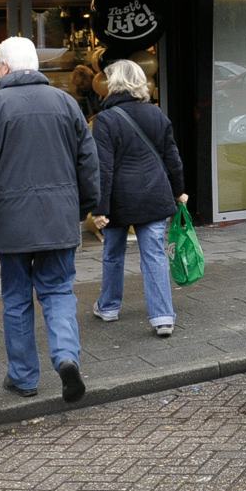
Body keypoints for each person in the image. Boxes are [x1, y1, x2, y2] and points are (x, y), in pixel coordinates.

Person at [0, 36, 99, 403]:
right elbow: (88, 159)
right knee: (59, 291)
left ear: (3, 68)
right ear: (35, 65)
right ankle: (67, 357)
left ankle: (23, 378)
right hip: (58, 219)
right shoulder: (66, 104)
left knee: (17, 298)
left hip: (11, 222)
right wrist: (85, 205)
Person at [89, 60, 189, 336]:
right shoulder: (156, 114)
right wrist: (179, 190)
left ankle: (108, 307)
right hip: (155, 195)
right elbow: (172, 157)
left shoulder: (106, 120)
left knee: (112, 253)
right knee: (154, 255)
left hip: (120, 199)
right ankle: (163, 317)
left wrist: (100, 208)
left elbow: (104, 168)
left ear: (114, 83)